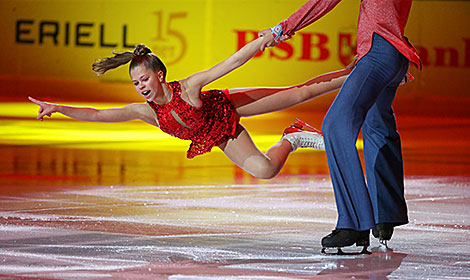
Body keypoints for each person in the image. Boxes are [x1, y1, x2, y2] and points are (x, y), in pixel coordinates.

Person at [29, 37, 352, 180]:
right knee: (265, 170)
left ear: (160, 75)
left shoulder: (188, 88)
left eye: (144, 79)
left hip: (227, 106)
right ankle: (292, 137)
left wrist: (266, 39)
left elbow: (232, 63)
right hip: (219, 135)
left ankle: (355, 72)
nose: (140, 87)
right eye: (135, 84)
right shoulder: (146, 112)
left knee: (300, 93)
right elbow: (98, 115)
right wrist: (58, 107)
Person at [259, 0, 421, 251]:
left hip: (379, 52)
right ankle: (384, 214)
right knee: (377, 125)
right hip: (395, 54)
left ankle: (354, 222)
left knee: (336, 125)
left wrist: (281, 30)